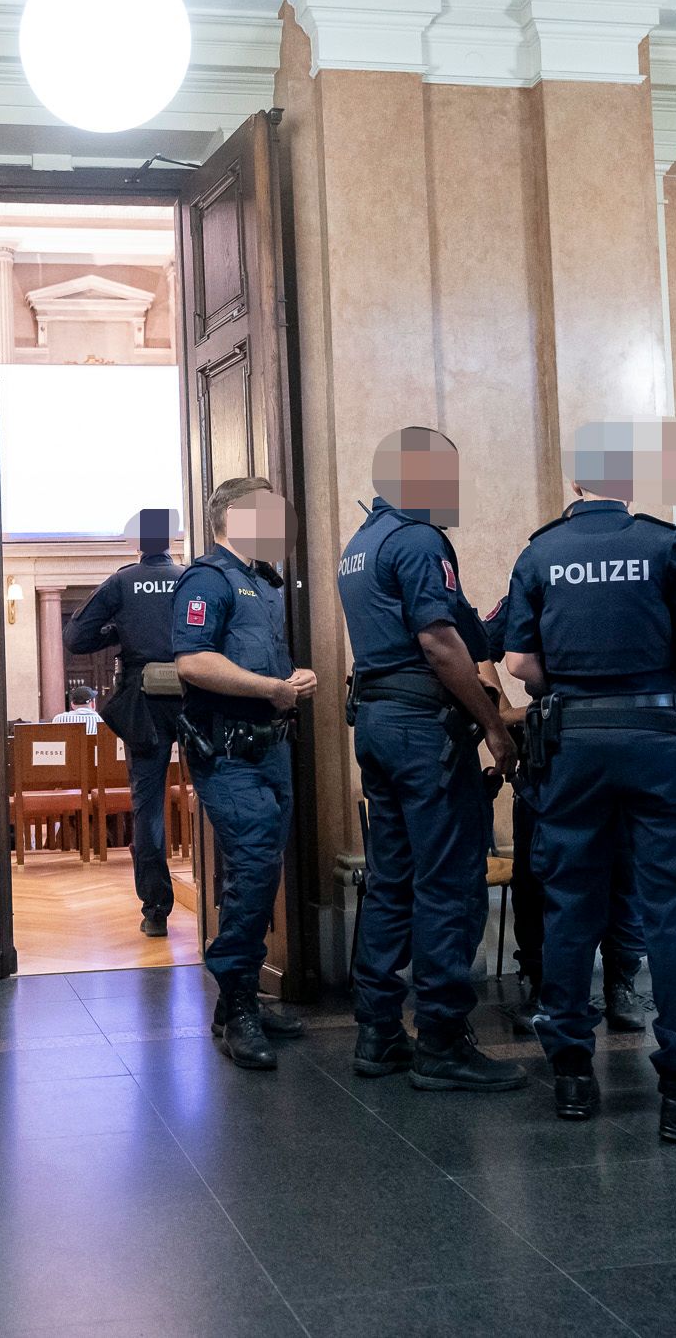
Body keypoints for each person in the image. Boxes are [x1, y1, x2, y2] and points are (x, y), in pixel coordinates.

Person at [497, 424, 676, 1142]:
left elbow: (516, 662)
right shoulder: (667, 544)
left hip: (572, 745)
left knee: (572, 907)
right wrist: (647, 678)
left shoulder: (540, 551)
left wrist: (579, 687)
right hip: (655, 741)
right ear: (630, 481)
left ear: (575, 482)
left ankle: (574, 1077)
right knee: (671, 912)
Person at [337, 429, 525, 1092]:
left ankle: (378, 1031)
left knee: (392, 880)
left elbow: (464, 625)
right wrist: (493, 726)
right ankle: (443, 1040)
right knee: (447, 882)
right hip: (424, 732)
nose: (454, 489)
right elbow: (441, 643)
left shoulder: (360, 545)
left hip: (380, 725)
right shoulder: (419, 540)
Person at [171, 477, 314, 1069]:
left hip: (270, 749)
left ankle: (236, 1001)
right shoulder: (206, 578)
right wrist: (273, 689)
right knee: (254, 867)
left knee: (257, 877)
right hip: (228, 754)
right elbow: (194, 660)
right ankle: (237, 1006)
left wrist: (292, 681)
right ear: (233, 517)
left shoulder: (262, 582)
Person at [479, 640, 650, 1038]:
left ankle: (619, 984)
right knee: (538, 880)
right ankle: (543, 986)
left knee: (622, 876)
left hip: (618, 740)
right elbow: (478, 642)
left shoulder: (638, 579)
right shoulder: (543, 578)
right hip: (552, 752)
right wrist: (502, 712)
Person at [63, 508, 184, 935]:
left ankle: (155, 911)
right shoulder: (189, 577)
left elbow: (76, 638)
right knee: (214, 795)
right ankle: (223, 899)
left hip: (143, 702)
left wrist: (118, 632)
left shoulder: (123, 581)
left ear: (138, 542)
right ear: (171, 539)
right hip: (196, 694)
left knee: (148, 807)